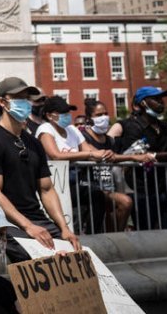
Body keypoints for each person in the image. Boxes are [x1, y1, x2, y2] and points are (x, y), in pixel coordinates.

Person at [0, 77, 80, 263]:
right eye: (18, 97)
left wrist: (64, 228)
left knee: (76, 254)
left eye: (27, 97)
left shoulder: (34, 143)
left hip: (38, 219)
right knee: (36, 262)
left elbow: (46, 189)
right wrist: (28, 226)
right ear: (2, 102)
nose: (25, 102)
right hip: (6, 223)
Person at [35, 96, 109, 233]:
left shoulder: (72, 129)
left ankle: (93, 234)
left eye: (68, 112)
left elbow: (88, 150)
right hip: (53, 184)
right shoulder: (45, 129)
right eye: (63, 113)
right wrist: (90, 155)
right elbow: (55, 155)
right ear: (49, 115)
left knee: (97, 195)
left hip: (74, 183)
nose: (67, 116)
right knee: (70, 218)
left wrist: (103, 154)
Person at [80, 98, 153, 231]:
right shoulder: (83, 137)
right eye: (99, 115)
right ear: (89, 118)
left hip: (109, 186)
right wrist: (133, 157)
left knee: (112, 217)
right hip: (90, 187)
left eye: (105, 113)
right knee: (125, 202)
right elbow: (104, 155)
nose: (104, 117)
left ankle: (116, 238)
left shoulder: (109, 140)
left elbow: (115, 158)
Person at [117, 86, 167, 229]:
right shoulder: (132, 126)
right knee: (146, 230)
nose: (161, 103)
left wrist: (155, 155)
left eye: (161, 99)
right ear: (142, 103)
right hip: (142, 189)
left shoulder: (165, 127)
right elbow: (135, 154)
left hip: (164, 187)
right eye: (155, 99)